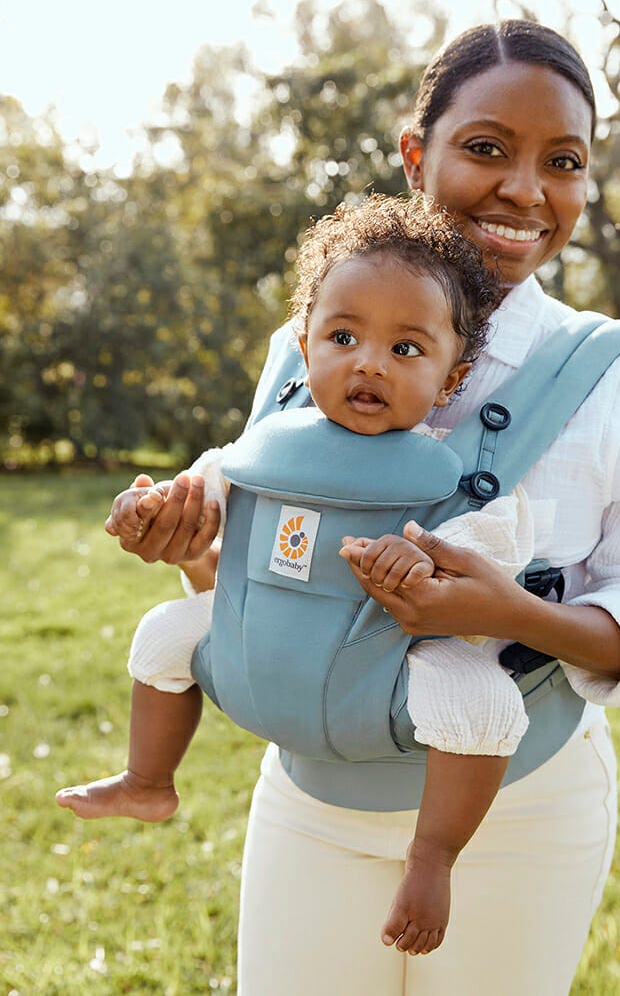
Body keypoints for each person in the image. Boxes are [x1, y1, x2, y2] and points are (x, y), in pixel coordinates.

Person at [69, 20, 620, 995]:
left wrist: (509, 614)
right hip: (310, 800)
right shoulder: (305, 343)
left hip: (517, 815)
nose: (526, 189)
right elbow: (267, 560)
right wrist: (186, 544)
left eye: (562, 162)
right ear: (414, 153)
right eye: (486, 148)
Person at [56, 193, 535, 954]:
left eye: (406, 348)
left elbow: (495, 544)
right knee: (160, 634)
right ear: (305, 343)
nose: (369, 361)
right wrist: (142, 507)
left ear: (453, 378)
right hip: (259, 642)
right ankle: (147, 778)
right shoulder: (266, 445)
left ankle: (432, 856)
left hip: (384, 662)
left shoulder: (447, 472)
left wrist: (426, 557)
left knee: (486, 703)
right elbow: (198, 485)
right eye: (342, 335)